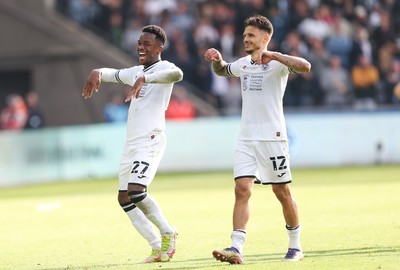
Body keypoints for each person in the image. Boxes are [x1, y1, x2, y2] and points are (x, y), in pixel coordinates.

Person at [204, 15, 311, 264]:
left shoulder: (277, 63)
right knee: (242, 190)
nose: (246, 39)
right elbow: (222, 70)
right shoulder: (243, 63)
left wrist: (275, 55)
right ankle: (236, 246)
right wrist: (217, 60)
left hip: (272, 138)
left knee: (281, 191)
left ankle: (295, 247)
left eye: (251, 36)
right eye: (244, 36)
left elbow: (305, 66)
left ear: (265, 38)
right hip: (246, 138)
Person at [82, 25, 183, 263]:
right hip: (131, 144)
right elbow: (113, 73)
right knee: (124, 198)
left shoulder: (164, 68)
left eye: (147, 44)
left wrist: (146, 77)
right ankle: (157, 245)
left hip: (151, 140)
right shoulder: (135, 70)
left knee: (137, 191)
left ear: (159, 48)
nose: (141, 46)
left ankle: (168, 232)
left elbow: (177, 75)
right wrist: (97, 71)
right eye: (140, 42)